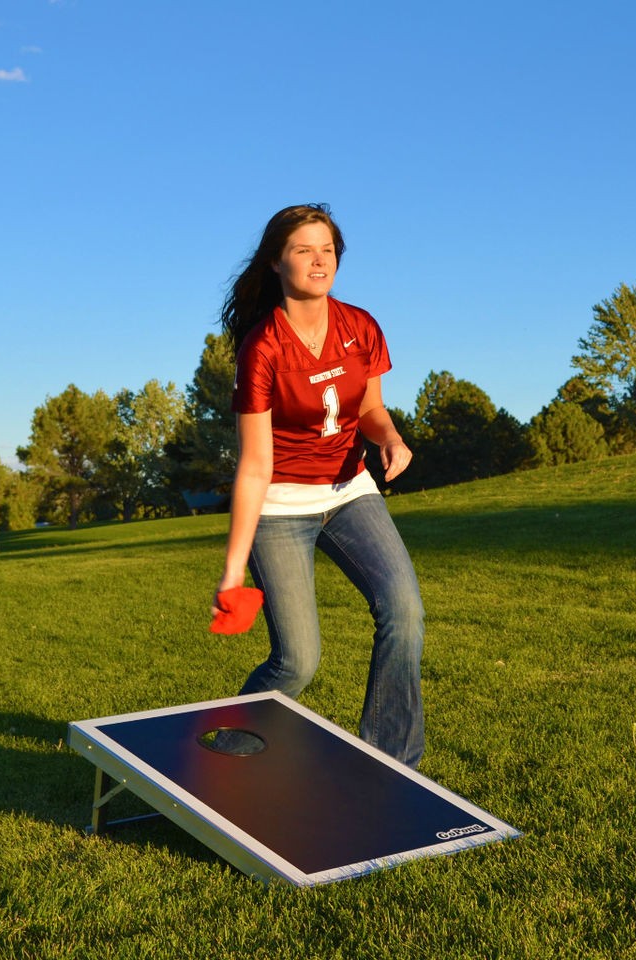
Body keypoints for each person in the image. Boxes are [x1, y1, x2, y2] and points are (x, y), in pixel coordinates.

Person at [213, 203, 425, 768]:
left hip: (350, 492)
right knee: (298, 662)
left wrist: (391, 439)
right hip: (280, 507)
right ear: (277, 263)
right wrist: (233, 573)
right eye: (303, 250)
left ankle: (391, 764)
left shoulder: (361, 327)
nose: (318, 260)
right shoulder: (262, 349)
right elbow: (255, 466)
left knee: (403, 611)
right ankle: (220, 763)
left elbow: (370, 409)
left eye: (327, 249)